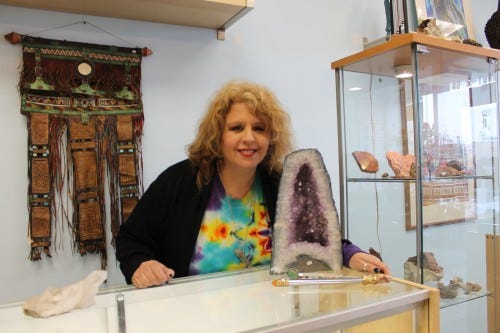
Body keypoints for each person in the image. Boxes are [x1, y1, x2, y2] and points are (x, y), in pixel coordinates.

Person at [115, 80, 391, 288]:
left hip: (270, 318)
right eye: (237, 128)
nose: (249, 138)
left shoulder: (281, 183)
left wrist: (350, 254)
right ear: (217, 135)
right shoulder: (179, 181)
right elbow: (131, 240)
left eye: (259, 129)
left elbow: (316, 238)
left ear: (271, 137)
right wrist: (140, 264)